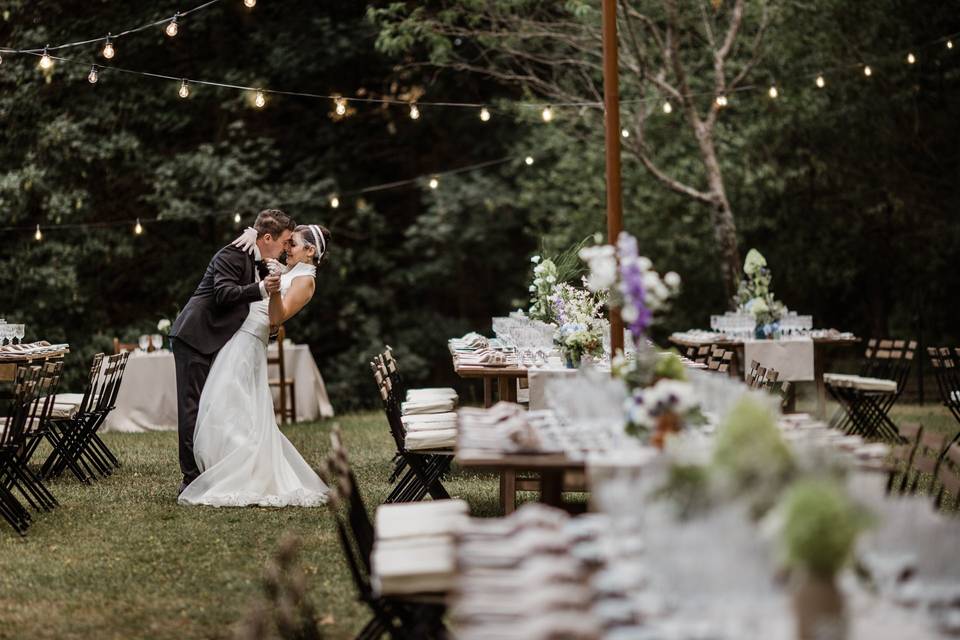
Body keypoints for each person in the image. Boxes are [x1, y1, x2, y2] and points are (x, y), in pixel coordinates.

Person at [169, 209, 293, 495]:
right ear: (267, 237)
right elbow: (224, 294)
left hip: (214, 339)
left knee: (208, 406)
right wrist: (261, 288)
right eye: (284, 241)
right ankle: (190, 478)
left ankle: (209, 469)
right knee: (192, 407)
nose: (286, 249)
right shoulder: (233, 254)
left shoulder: (255, 257)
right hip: (195, 336)